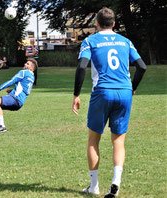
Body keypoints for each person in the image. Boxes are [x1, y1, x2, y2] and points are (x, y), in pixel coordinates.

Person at [72, 7, 146, 197]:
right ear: (114, 24)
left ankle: (94, 186)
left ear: (96, 23)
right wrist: (133, 87)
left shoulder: (90, 41)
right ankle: (116, 183)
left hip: (103, 91)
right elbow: (142, 67)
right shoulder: (126, 41)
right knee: (118, 141)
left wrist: (76, 94)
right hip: (124, 91)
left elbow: (81, 66)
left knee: (93, 139)